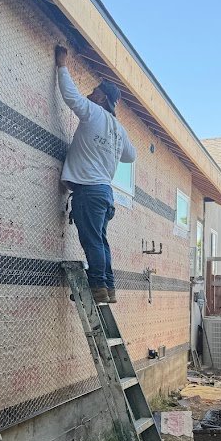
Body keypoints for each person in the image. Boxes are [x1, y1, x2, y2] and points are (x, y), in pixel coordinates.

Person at [54, 45, 136, 304]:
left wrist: (62, 65)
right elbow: (131, 155)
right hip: (104, 193)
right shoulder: (118, 129)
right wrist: (111, 145)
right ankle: (107, 287)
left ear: (101, 99)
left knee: (92, 242)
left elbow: (70, 96)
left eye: (94, 92)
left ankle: (98, 287)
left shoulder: (93, 112)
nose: (90, 94)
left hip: (89, 192)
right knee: (100, 241)